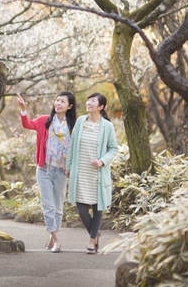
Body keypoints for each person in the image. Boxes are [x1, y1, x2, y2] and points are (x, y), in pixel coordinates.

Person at [17, 91, 76, 253]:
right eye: (57, 100)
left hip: (62, 171)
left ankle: (52, 235)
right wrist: (23, 110)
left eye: (62, 101)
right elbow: (27, 124)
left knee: (58, 207)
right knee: (48, 205)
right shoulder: (44, 120)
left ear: (69, 106)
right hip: (44, 169)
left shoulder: (73, 125)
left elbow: (77, 148)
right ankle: (56, 239)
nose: (58, 103)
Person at [66, 92, 119, 254]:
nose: (88, 103)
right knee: (81, 209)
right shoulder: (81, 121)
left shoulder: (107, 126)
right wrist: (68, 166)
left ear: (101, 107)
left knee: (97, 208)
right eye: (88, 100)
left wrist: (102, 161)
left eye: (93, 101)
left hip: (97, 174)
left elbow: (113, 149)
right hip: (80, 172)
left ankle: (91, 240)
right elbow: (72, 145)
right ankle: (95, 233)